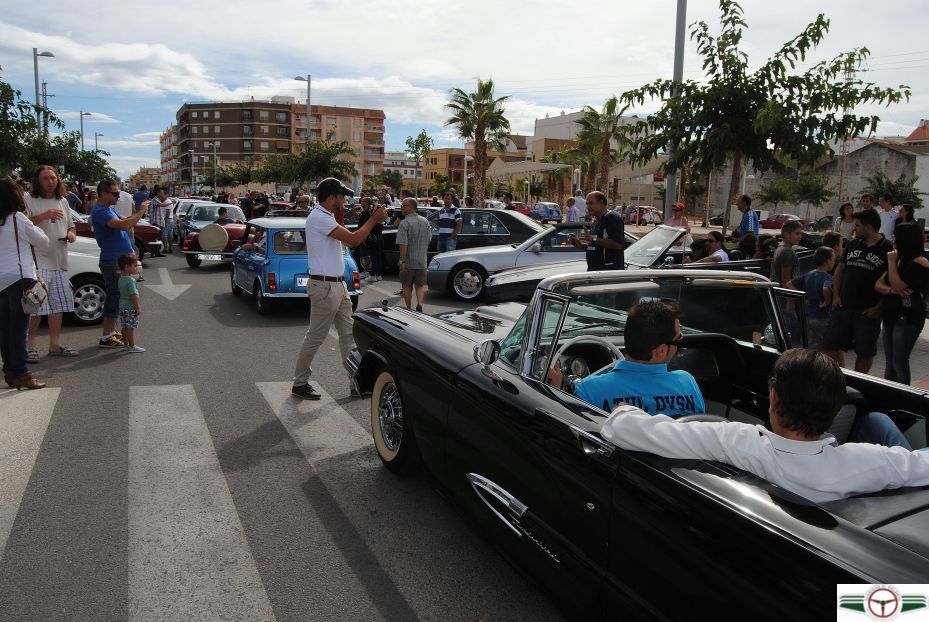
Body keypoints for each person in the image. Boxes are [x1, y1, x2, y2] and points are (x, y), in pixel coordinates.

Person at [600, 348, 929, 504]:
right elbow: (919, 464)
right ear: (834, 410)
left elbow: (621, 429)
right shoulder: (869, 462)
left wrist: (625, 408)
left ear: (773, 401)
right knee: (878, 421)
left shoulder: (736, 441)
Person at [291, 178, 387, 400]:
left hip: (336, 285)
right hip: (325, 286)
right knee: (316, 336)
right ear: (332, 196)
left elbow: (349, 235)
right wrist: (373, 219)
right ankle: (300, 383)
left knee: (348, 334)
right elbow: (354, 240)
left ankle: (356, 382)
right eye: (342, 196)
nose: (344, 200)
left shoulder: (326, 216)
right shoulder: (319, 218)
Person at [548, 300, 705, 416]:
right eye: (678, 339)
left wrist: (554, 391)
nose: (678, 345)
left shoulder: (589, 390)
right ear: (662, 350)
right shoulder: (686, 383)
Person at [822, 208, 893, 373]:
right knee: (829, 345)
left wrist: (879, 308)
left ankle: (859, 384)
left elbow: (891, 283)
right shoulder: (853, 244)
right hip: (844, 306)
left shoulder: (887, 248)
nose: (854, 229)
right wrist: (836, 296)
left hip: (868, 312)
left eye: (858, 225)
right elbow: (840, 270)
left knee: (865, 352)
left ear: (868, 227)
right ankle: (835, 379)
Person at [24, 165, 79, 360]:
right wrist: (44, 216)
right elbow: (23, 225)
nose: (50, 182)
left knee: (58, 306)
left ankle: (54, 345)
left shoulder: (62, 200)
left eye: (53, 178)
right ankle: (30, 346)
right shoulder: (28, 200)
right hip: (38, 262)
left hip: (60, 261)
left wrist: (71, 235)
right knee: (35, 306)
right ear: (38, 181)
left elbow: (71, 226)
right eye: (46, 178)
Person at [0, 177, 49, 390]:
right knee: (19, 329)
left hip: (1, 280)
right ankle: (22, 373)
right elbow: (43, 241)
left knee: (5, 329)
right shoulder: (18, 218)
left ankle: (10, 370)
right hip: (20, 278)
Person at [92, 179, 149, 349]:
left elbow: (126, 220)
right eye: (115, 193)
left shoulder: (109, 209)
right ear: (103, 194)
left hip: (118, 259)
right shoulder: (100, 211)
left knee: (117, 297)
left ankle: (110, 332)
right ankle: (106, 336)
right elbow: (124, 225)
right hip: (111, 260)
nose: (118, 196)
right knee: (115, 297)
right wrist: (141, 211)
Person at [874, 222, 929, 385]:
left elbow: (898, 284)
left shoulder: (920, 262)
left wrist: (891, 264)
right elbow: (879, 284)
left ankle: (904, 398)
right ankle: (888, 395)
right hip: (891, 314)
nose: (893, 239)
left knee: (899, 362)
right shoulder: (898, 259)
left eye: (896, 236)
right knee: (889, 362)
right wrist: (891, 290)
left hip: (907, 317)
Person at [789, 247, 835, 350]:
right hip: (822, 315)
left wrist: (803, 296)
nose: (834, 262)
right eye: (833, 259)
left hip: (807, 314)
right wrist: (827, 301)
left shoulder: (808, 274)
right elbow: (826, 288)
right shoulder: (828, 277)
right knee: (825, 345)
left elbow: (789, 284)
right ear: (828, 261)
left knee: (808, 344)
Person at [567, 191, 624, 271]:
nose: (587, 207)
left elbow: (617, 244)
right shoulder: (597, 220)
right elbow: (596, 247)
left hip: (606, 273)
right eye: (587, 204)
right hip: (594, 271)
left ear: (601, 203)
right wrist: (580, 245)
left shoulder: (612, 218)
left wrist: (592, 239)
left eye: (590, 203)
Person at [397, 197, 430, 312]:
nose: (402, 208)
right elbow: (429, 239)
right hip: (422, 260)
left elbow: (403, 244)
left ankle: (408, 309)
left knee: (406, 285)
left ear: (411, 207)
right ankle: (420, 305)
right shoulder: (425, 221)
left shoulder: (404, 223)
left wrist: (402, 261)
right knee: (420, 285)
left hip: (409, 261)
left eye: (404, 205)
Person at [117, 254, 144, 353]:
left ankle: (125, 344)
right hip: (129, 307)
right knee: (130, 327)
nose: (136, 268)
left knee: (124, 326)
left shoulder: (121, 278)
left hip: (122, 306)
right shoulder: (130, 281)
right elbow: (133, 295)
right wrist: (137, 307)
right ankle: (132, 346)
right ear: (127, 267)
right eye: (134, 266)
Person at [770, 220, 804, 286]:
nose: (800, 236)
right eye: (797, 233)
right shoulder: (787, 252)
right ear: (786, 234)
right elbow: (786, 280)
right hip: (784, 294)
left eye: (800, 234)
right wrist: (791, 295)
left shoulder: (780, 248)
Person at [152, 187, 175, 253]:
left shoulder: (167, 201)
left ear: (166, 195)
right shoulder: (166, 201)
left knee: (163, 235)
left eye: (163, 194)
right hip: (170, 220)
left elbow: (167, 212)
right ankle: (170, 248)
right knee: (170, 235)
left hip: (167, 220)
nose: (162, 196)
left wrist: (164, 221)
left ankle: (166, 249)